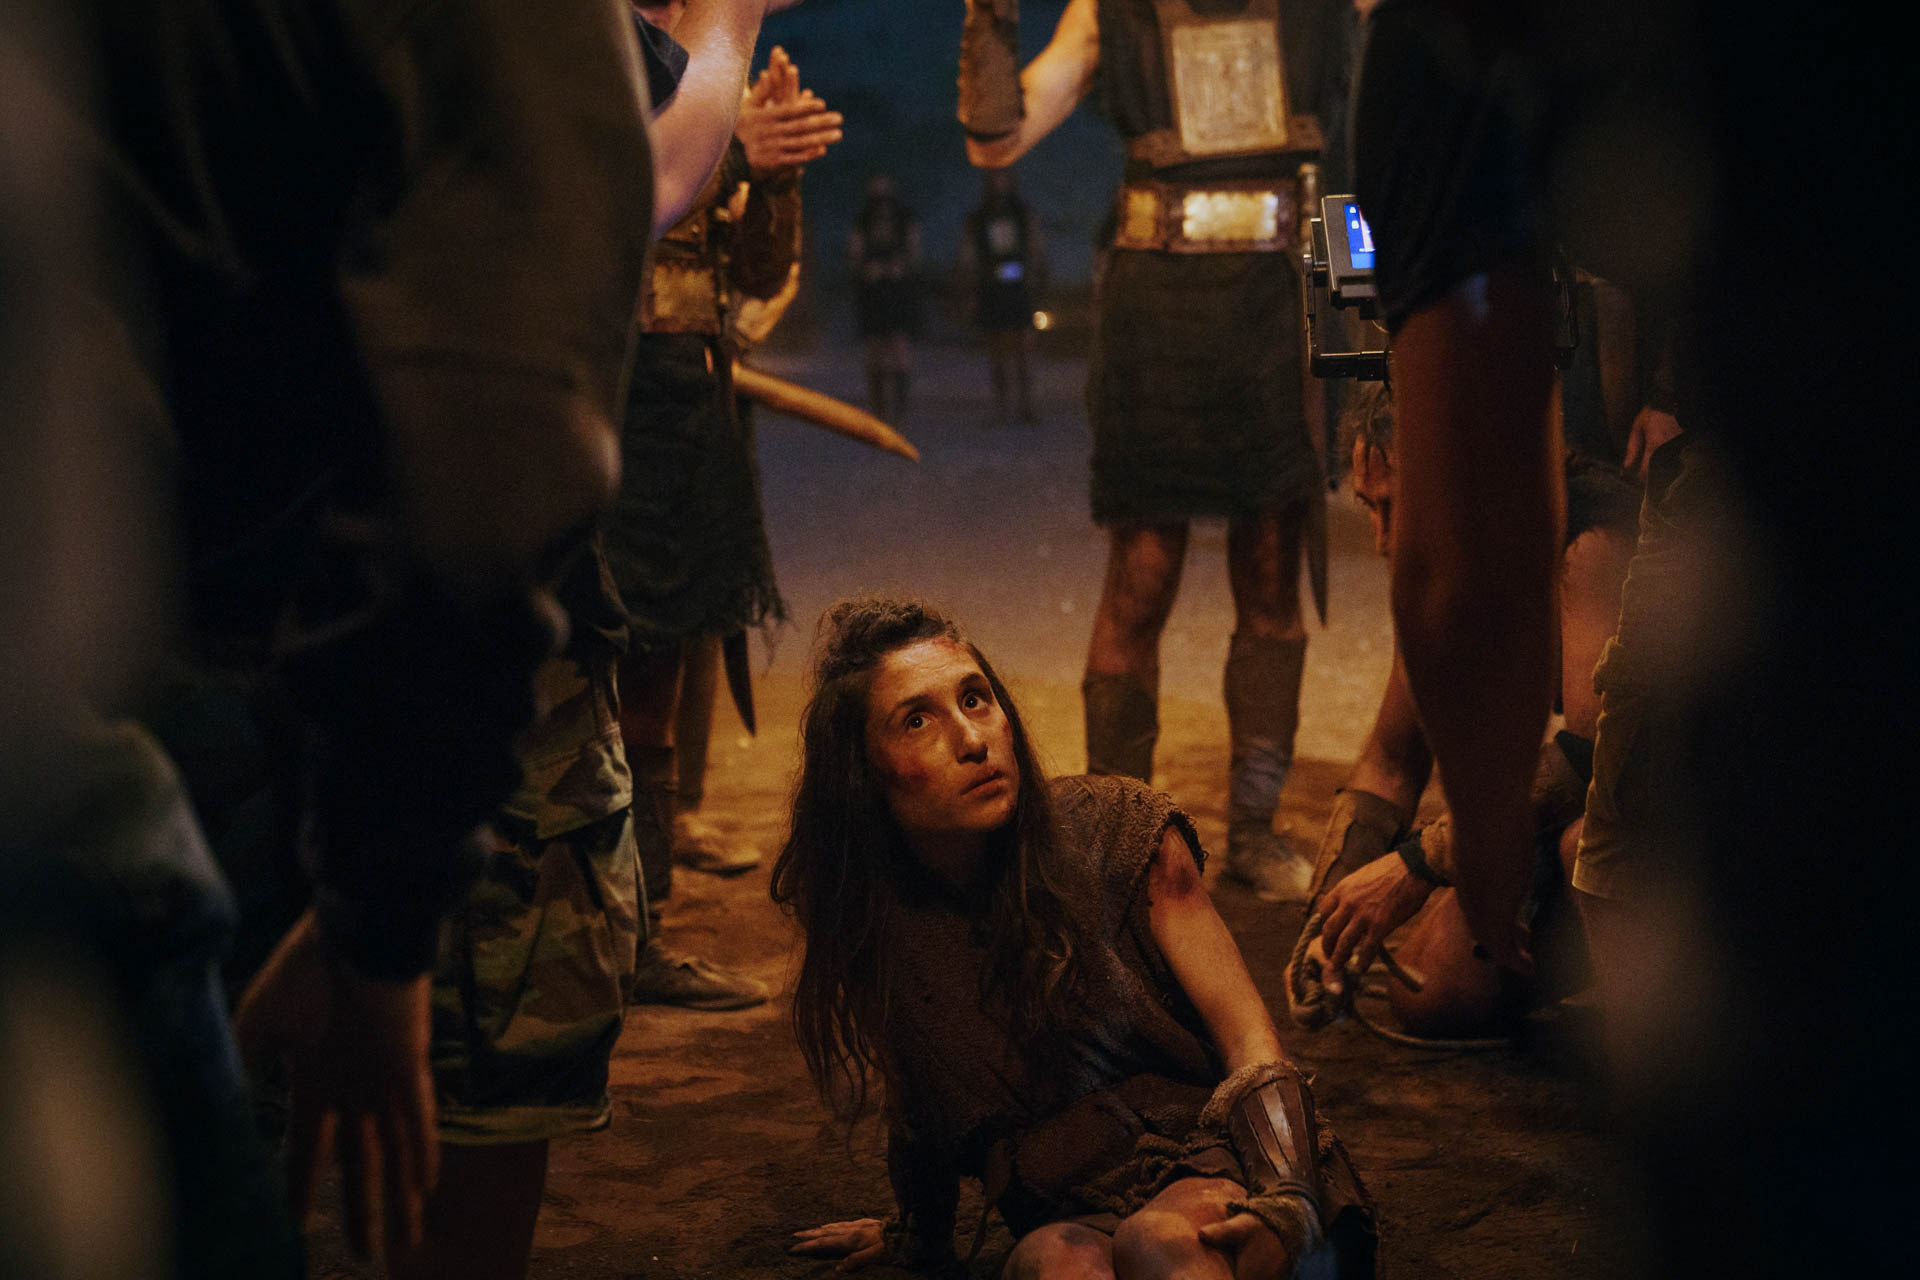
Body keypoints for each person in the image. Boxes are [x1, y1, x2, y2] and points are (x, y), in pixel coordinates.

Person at [775, 598, 1375, 1278]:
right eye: (918, 720)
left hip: (1232, 1161)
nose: (972, 739)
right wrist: (918, 1231)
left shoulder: (1120, 834)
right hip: (1066, 1197)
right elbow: (917, 1093)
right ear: (862, 772)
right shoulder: (869, 917)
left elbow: (1251, 1044)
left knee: (1158, 1244)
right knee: (1049, 1265)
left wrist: (1289, 1198)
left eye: (975, 700)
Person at [956, 0, 1356, 900]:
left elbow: (1377, 130)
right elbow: (998, 141)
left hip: (1275, 302)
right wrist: (989, 19)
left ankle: (1252, 832)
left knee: (1271, 567)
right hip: (1157, 306)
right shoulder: (1110, 11)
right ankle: (1115, 839)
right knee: (1141, 572)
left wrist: (1364, 317)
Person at [608, 11, 840, 1009]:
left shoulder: (706, 62)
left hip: (683, 398)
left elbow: (750, 274)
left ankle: (637, 931)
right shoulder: (589, 37)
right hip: (597, 388)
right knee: (568, 675)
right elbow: (620, 193)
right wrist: (733, 138)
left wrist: (774, 176)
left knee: (655, 675)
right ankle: (551, 932)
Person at [1291, 384, 1641, 1036]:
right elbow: (1391, 762)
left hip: (1671, 799)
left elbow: (1590, 759)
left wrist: (1417, 865)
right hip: (1599, 799)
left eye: (1396, 507)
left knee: (1583, 845)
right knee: (1430, 991)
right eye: (1369, 507)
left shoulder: (1586, 542)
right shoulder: (1439, 569)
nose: (1382, 540)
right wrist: (1329, 918)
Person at [960, 167, 1046, 425]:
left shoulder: (1022, 213)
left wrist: (1036, 278)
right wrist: (968, 286)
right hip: (991, 286)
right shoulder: (979, 216)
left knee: (1024, 347)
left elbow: (1035, 246)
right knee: (997, 348)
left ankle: (1026, 404)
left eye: (1003, 178)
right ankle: (1002, 406)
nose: (999, 183)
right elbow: (968, 253)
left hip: (1018, 287)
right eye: (995, 179)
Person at [847, 173, 923, 421]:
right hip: (873, 291)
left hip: (898, 291)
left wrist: (901, 267)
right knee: (874, 348)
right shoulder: (863, 219)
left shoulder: (904, 217)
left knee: (899, 345)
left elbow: (914, 250)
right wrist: (866, 270)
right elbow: (855, 252)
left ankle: (899, 408)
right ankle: (879, 408)